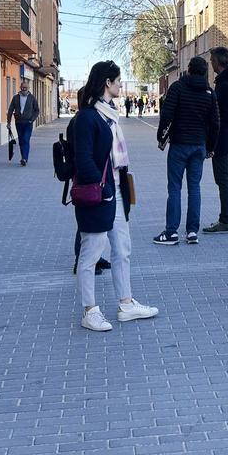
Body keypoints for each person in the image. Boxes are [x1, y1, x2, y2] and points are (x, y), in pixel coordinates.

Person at [72, 60, 159, 331]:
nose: (122, 85)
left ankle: (126, 303)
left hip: (115, 192)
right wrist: (104, 191)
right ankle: (90, 310)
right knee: (90, 254)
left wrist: (115, 190)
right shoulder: (87, 118)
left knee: (122, 249)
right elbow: (83, 160)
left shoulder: (109, 115)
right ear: (107, 83)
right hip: (98, 196)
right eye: (118, 81)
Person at [154, 56, 220, 245]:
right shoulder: (209, 92)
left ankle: (171, 232)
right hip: (199, 146)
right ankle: (192, 232)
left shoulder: (178, 88)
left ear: (188, 70)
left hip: (179, 145)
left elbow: (167, 114)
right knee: (195, 188)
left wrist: (161, 137)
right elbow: (215, 123)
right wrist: (211, 147)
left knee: (174, 188)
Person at [202, 47, 228, 233]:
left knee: (223, 179)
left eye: (212, 60)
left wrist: (214, 137)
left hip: (224, 138)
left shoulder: (226, 84)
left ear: (218, 62)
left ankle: (226, 219)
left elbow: (225, 115)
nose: (210, 63)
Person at [6, 80, 40, 166]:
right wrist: (8, 122)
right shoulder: (15, 98)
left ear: (28, 88)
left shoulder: (32, 98)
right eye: (22, 88)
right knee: (21, 141)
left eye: (25, 88)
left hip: (28, 123)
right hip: (19, 122)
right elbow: (10, 110)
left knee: (25, 139)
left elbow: (37, 110)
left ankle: (25, 158)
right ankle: (23, 157)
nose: (24, 89)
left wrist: (32, 119)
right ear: (20, 88)